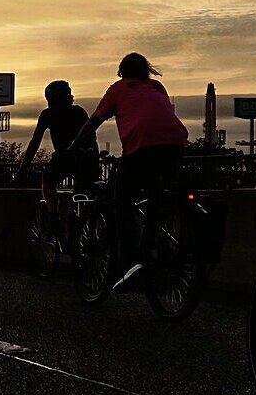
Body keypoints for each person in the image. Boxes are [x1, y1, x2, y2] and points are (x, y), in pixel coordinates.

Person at [71, 53, 188, 291]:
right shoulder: (157, 86)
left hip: (141, 146)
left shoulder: (118, 88)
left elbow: (94, 121)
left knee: (121, 199)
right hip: (176, 143)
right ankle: (151, 248)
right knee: (156, 196)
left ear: (122, 72)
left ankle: (131, 262)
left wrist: (73, 146)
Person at [16, 80, 99, 229]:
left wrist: (23, 167)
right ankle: (81, 227)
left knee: (47, 180)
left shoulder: (48, 114)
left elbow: (35, 142)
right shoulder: (79, 112)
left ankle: (53, 216)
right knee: (82, 193)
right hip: (87, 157)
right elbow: (91, 136)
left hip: (64, 157)